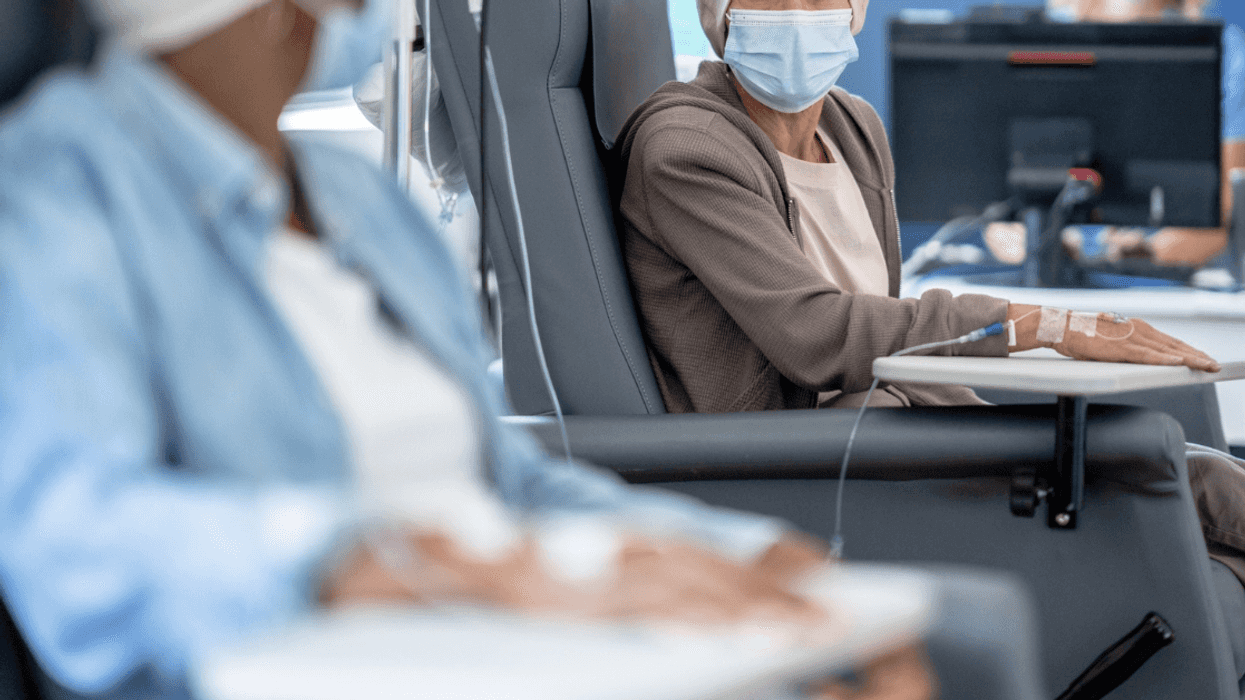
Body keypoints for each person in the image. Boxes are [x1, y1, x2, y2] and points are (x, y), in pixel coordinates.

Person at [0, 1, 1048, 699]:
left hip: (506, 623)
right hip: (357, 650)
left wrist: (728, 552)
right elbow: (70, 528)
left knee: (880, 647)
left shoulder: (357, 201)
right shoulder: (55, 193)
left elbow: (511, 482)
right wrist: (391, 562)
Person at [613, 0, 1245, 686]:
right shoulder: (685, 147)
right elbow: (819, 338)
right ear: (717, 11)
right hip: (804, 463)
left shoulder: (852, 127)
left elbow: (884, 327)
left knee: (1203, 475)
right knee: (1171, 490)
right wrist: (1039, 325)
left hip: (898, 429)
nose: (796, 13)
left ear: (855, 8)